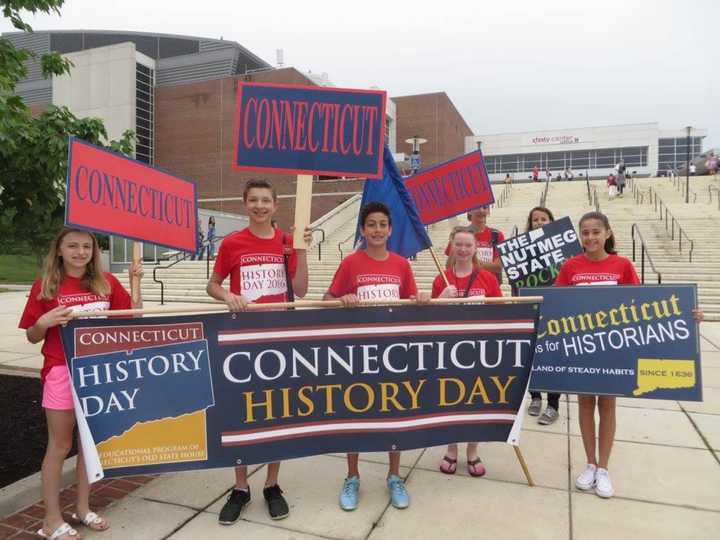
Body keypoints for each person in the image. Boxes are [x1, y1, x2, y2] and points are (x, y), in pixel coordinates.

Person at [19, 228, 143, 540]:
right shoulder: (47, 285)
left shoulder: (106, 282)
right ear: (59, 250)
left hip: (98, 373)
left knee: (89, 445)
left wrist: (135, 282)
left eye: (86, 246)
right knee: (60, 446)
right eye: (72, 245)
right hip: (61, 371)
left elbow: (131, 320)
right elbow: (32, 335)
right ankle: (50, 519)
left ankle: (82, 508)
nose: (80, 251)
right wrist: (43, 323)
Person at [206, 179, 311, 525]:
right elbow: (213, 284)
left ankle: (271, 484)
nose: (260, 206)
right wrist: (227, 297)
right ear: (244, 203)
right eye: (254, 200)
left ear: (276, 205)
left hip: (278, 339)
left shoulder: (286, 242)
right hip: (242, 339)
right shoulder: (233, 243)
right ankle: (240, 488)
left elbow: (302, 289)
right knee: (239, 412)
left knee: (275, 411)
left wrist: (302, 252)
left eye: (266, 200)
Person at [324, 201, 430, 511]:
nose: (377, 229)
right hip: (358, 353)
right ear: (362, 229)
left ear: (391, 229)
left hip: (393, 353)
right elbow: (326, 298)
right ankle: (352, 476)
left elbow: (412, 299)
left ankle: (394, 476)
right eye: (371, 224)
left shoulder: (401, 264)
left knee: (393, 416)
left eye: (383, 224)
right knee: (355, 416)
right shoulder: (351, 263)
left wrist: (421, 297)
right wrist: (340, 298)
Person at [555, 212, 640, 498]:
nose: (590, 238)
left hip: (612, 349)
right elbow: (555, 303)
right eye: (585, 233)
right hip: (581, 348)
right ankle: (589, 463)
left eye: (595, 232)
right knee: (584, 405)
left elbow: (642, 305)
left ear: (607, 233)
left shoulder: (623, 265)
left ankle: (603, 468)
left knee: (607, 407)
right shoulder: (570, 266)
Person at [433, 225, 501, 476]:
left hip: (480, 350)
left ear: (475, 249)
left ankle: (473, 450)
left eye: (468, 245)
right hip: (449, 350)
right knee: (450, 399)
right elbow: (429, 319)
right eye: (458, 244)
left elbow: (500, 312)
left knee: (477, 400)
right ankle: (451, 448)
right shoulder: (441, 278)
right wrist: (441, 299)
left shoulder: (488, 279)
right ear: (451, 246)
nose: (462, 249)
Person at [522, 207, 562, 425]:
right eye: (535, 220)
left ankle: (553, 404)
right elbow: (515, 283)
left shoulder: (562, 249)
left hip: (556, 310)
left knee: (553, 357)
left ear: (551, 222)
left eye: (543, 219)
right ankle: (535, 397)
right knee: (532, 357)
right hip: (530, 310)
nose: (539, 222)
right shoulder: (521, 251)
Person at [444, 206, 505, 286]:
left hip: (489, 286)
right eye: (477, 207)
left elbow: (498, 267)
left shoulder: (497, 235)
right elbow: (449, 266)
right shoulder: (459, 235)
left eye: (485, 207)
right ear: (469, 211)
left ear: (489, 211)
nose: (481, 210)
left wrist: (468, 264)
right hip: (463, 286)